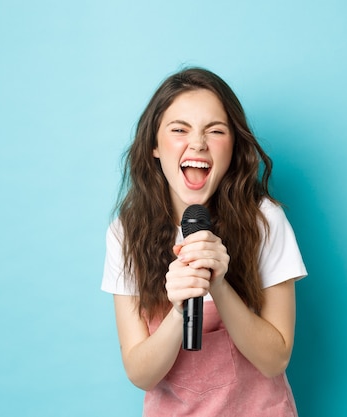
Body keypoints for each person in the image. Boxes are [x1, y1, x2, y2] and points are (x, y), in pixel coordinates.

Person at [101, 67, 307, 417]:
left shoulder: (265, 220)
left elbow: (275, 360)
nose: (197, 143)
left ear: (233, 146)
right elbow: (140, 373)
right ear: (154, 144)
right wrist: (180, 310)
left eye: (215, 130)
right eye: (179, 129)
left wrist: (219, 284)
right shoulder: (126, 232)